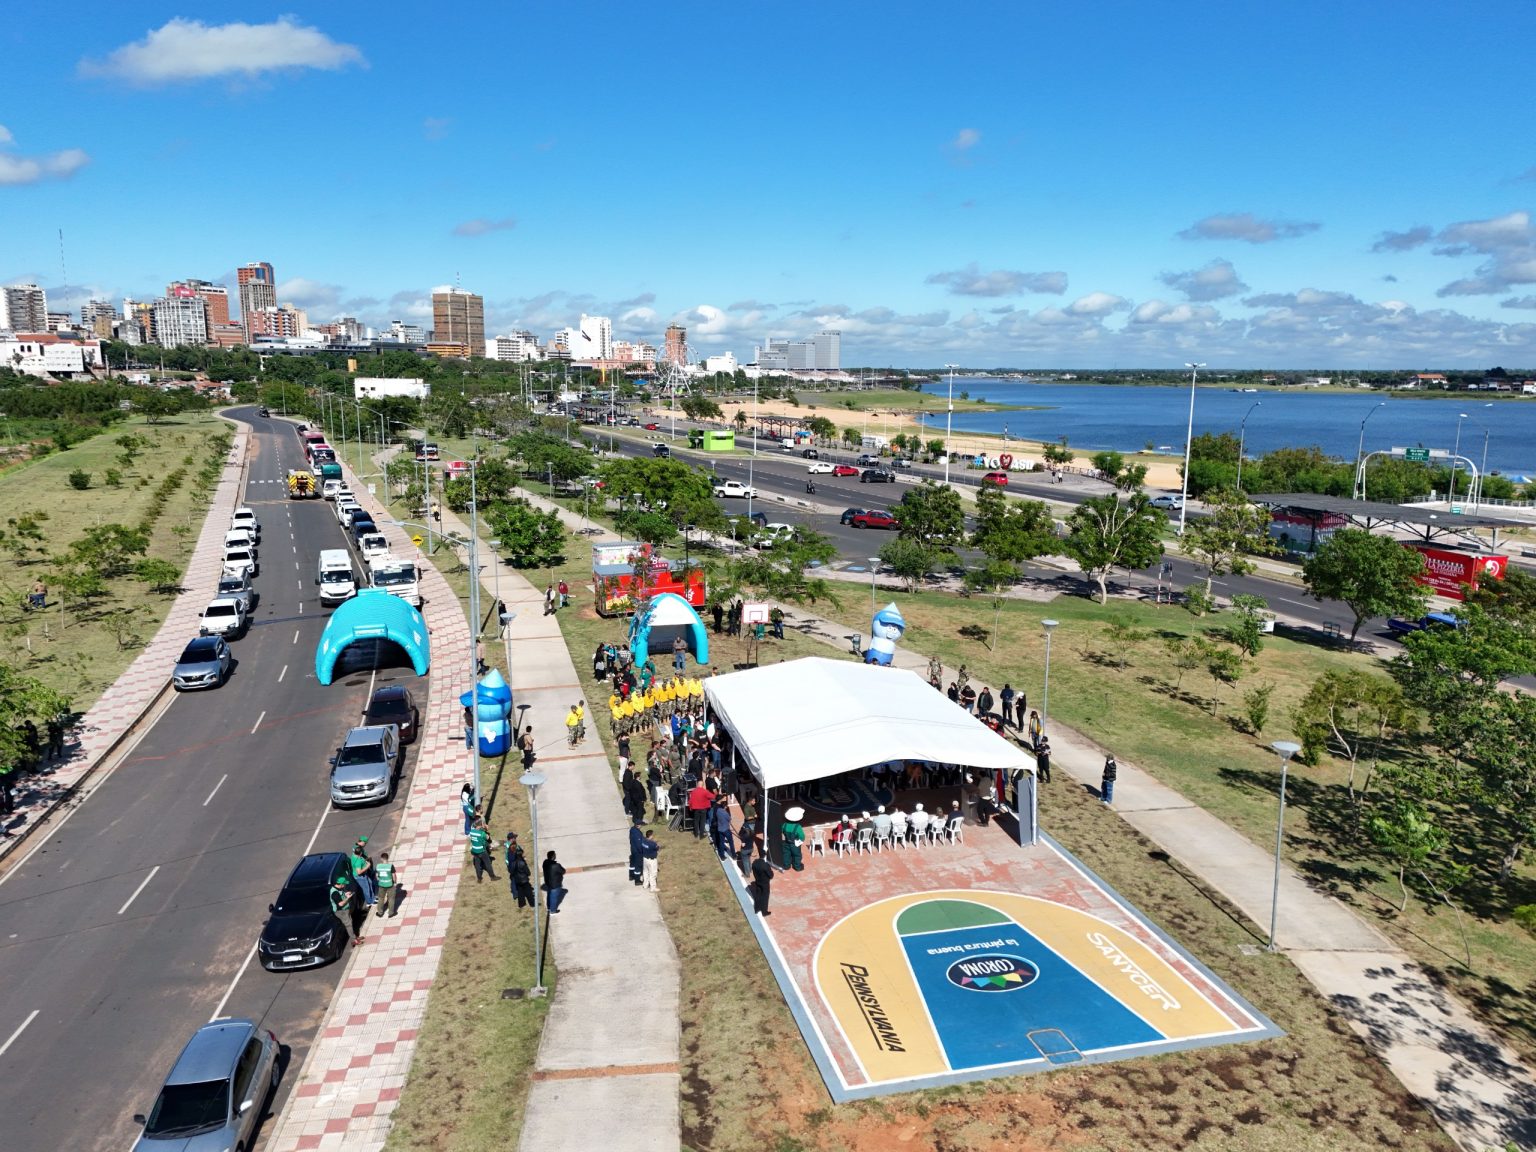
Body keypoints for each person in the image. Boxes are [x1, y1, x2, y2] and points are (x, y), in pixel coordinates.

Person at [330, 874, 364, 946]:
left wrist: (345, 894)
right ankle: (354, 940)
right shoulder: (335, 893)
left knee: (350, 923)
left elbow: (341, 895)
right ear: (340, 884)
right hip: (341, 911)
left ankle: (355, 937)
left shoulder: (338, 889)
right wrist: (348, 898)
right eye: (344, 884)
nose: (345, 885)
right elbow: (340, 904)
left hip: (345, 910)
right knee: (349, 925)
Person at [350, 838, 377, 906]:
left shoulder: (355, 855)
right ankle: (369, 902)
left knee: (370, 884)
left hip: (364, 875)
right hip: (360, 877)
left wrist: (365, 861)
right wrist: (367, 866)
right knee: (366, 889)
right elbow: (359, 872)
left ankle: (373, 898)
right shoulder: (358, 861)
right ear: (360, 853)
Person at [374, 852, 400, 917]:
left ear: (381, 859)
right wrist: (395, 883)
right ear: (387, 858)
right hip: (390, 885)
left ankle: (380, 913)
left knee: (381, 898)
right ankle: (391, 913)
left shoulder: (378, 866)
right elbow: (394, 876)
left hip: (381, 885)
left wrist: (380, 880)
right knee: (391, 899)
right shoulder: (390, 866)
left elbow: (376, 876)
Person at [509, 844, 535, 908]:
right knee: (529, 892)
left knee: (520, 893)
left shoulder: (513, 863)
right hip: (524, 880)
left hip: (517, 881)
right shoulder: (522, 863)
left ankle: (521, 904)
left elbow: (511, 872)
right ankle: (532, 903)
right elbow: (528, 873)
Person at [781, 807, 806, 871]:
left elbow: (782, 831)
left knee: (786, 854)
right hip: (794, 844)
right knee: (797, 855)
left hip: (786, 843)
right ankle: (797, 867)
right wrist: (800, 841)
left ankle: (786, 866)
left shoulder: (784, 825)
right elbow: (802, 836)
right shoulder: (798, 827)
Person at [749, 849, 774, 916]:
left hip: (758, 881)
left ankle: (757, 909)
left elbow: (754, 872)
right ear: (765, 856)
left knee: (758, 894)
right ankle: (764, 911)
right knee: (765, 896)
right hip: (765, 883)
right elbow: (771, 875)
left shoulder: (754, 863)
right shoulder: (765, 865)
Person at [628, 816, 647, 886]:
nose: (642, 825)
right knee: (638, 865)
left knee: (632, 863)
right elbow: (639, 844)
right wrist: (642, 851)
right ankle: (637, 880)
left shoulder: (632, 829)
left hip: (633, 849)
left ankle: (631, 876)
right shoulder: (637, 833)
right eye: (641, 824)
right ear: (638, 825)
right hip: (637, 851)